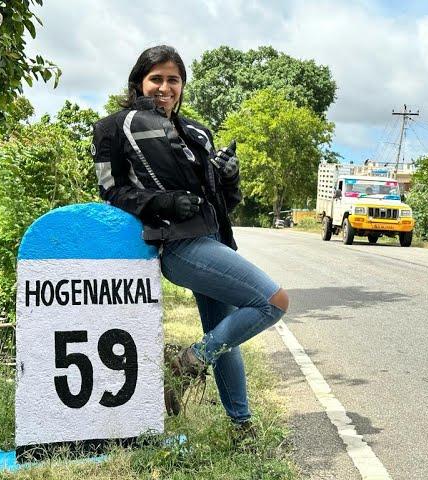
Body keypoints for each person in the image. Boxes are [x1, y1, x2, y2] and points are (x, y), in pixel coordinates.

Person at [91, 45, 289, 433]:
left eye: (173, 80)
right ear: (138, 83)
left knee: (224, 333)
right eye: (156, 79)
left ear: (182, 85)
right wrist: (161, 201)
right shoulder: (113, 128)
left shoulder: (198, 132)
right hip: (179, 245)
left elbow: (223, 202)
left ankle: (241, 426)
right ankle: (186, 363)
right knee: (273, 301)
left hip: (214, 239)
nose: (165, 88)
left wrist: (229, 177)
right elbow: (111, 192)